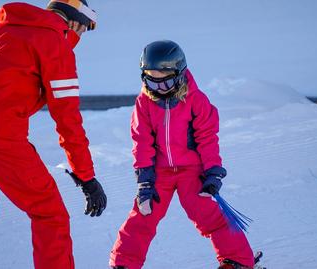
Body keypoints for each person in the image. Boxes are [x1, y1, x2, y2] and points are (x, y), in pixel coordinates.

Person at [0, 1, 106, 268]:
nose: (79, 37)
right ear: (74, 21)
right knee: (50, 213)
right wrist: (86, 177)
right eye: (83, 29)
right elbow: (68, 120)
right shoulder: (53, 42)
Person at [109, 40, 255, 269]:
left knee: (209, 214)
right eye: (151, 80)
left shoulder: (196, 100)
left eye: (164, 81)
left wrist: (212, 172)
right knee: (143, 215)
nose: (157, 87)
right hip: (159, 173)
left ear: (179, 74)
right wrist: (145, 180)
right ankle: (123, 264)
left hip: (191, 171)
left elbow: (207, 138)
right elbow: (142, 141)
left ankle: (238, 261)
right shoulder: (144, 102)